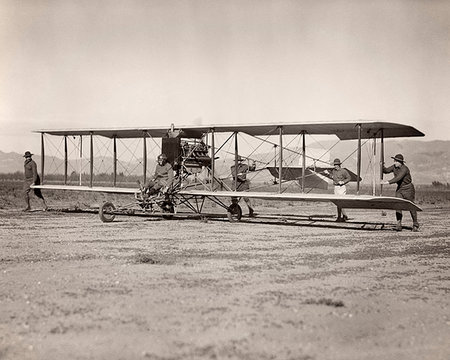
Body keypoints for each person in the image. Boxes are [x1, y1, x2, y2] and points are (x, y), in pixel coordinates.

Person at [382, 154, 419, 232]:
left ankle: (415, 224)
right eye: (394, 161)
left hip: (408, 189)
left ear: (400, 162)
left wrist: (387, 182)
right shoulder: (394, 167)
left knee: (411, 206)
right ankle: (399, 224)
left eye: (396, 161)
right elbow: (386, 171)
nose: (394, 162)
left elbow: (398, 178)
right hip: (400, 189)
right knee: (397, 205)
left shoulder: (404, 169)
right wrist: (382, 166)